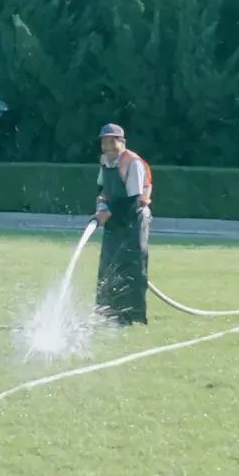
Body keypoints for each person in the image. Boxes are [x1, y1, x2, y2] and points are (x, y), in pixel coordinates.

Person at [93, 123, 152, 325]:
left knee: (130, 266)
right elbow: (102, 188)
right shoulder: (104, 161)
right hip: (114, 218)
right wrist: (101, 205)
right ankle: (107, 313)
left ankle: (129, 316)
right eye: (104, 141)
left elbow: (133, 199)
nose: (108, 145)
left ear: (122, 142)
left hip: (134, 218)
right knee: (108, 265)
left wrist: (107, 212)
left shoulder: (132, 162)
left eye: (112, 140)